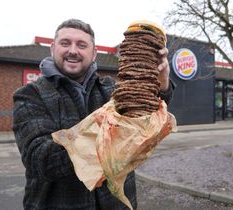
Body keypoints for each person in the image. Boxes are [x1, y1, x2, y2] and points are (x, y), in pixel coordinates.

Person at [12, 18, 174, 210]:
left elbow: (145, 118)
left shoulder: (113, 90)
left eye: (82, 45)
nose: (73, 50)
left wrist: (161, 82)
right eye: (66, 43)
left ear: (94, 53)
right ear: (53, 48)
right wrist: (112, 132)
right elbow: (40, 160)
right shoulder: (30, 95)